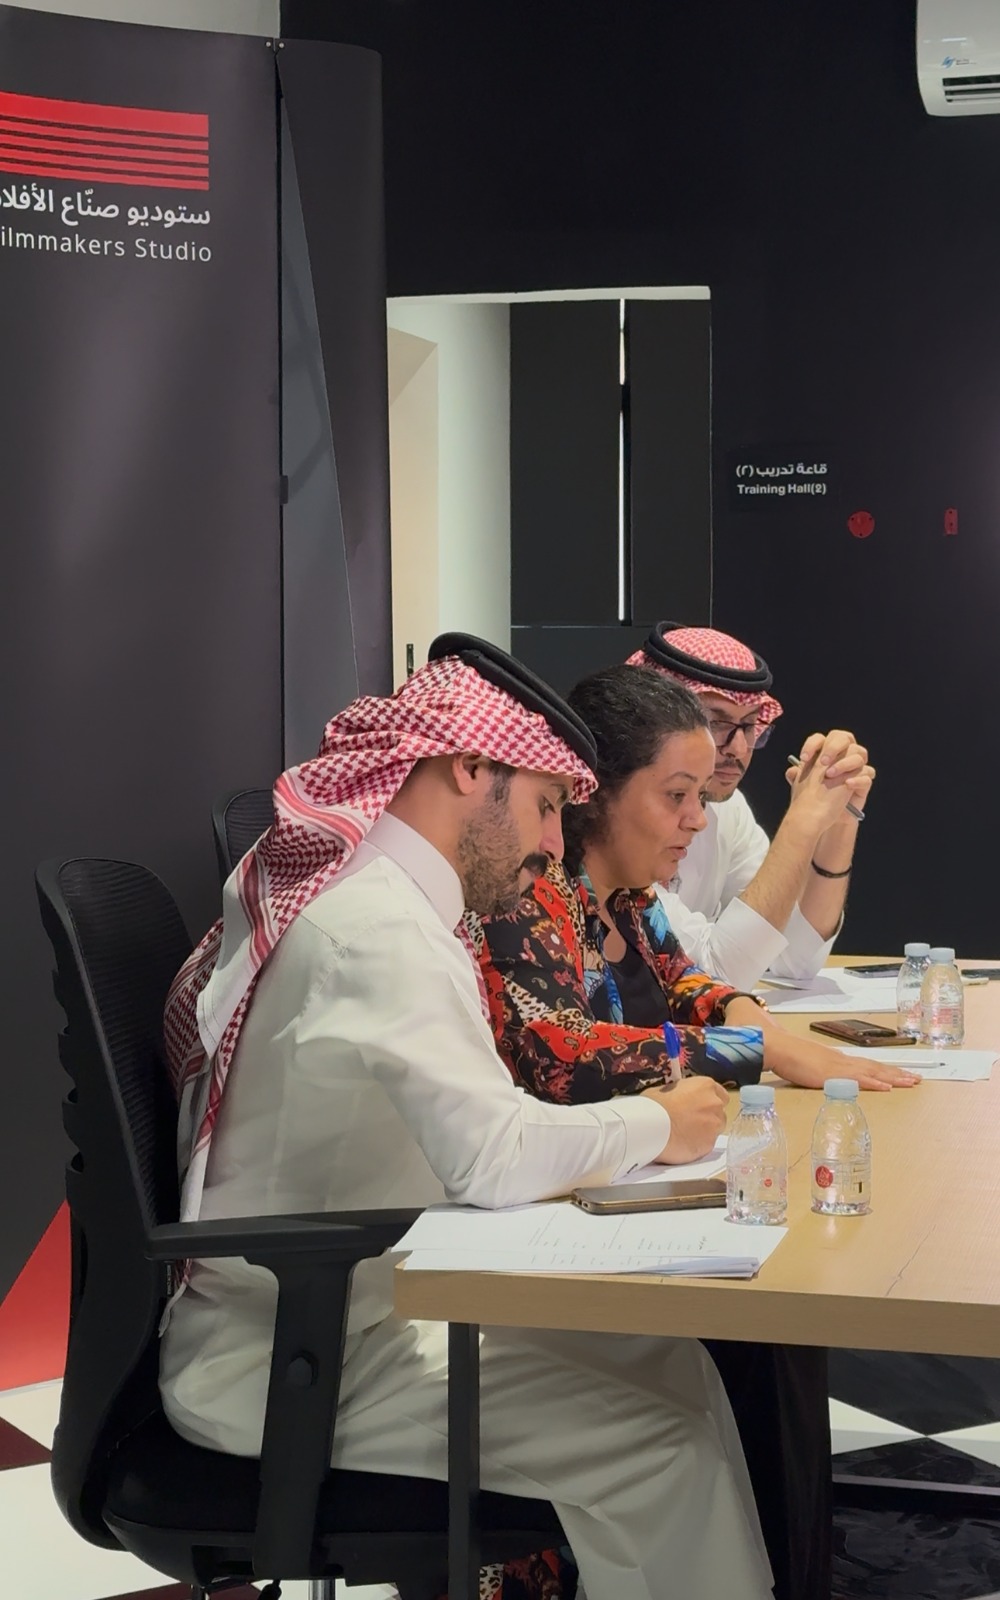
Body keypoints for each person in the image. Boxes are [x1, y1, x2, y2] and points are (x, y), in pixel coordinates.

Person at [159, 633, 774, 1600]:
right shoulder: (377, 928)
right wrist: (663, 1123)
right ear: (469, 767)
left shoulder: (397, 905)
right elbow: (493, 1155)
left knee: (673, 1365)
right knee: (661, 1449)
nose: (551, 843)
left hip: (362, 1306)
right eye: (544, 806)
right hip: (292, 1358)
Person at [474, 663, 920, 1600]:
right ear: (595, 795)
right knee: (756, 1341)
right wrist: (761, 1051)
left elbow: (695, 988)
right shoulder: (527, 898)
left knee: (782, 1329)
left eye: (698, 799)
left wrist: (766, 1037)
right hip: (539, 1230)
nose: (695, 820)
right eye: (675, 796)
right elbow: (560, 1052)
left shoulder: (629, 901)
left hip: (618, 1187)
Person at [625, 620, 874, 991]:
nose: (739, 749)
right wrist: (802, 823)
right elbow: (716, 976)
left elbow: (793, 959)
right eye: (715, 723)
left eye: (750, 725)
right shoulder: (622, 818)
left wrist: (839, 820)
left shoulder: (729, 809)